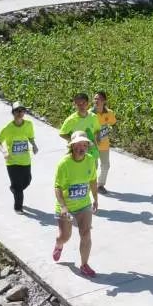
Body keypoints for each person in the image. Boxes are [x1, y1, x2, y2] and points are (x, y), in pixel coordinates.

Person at [52, 131, 99, 278]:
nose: (82, 148)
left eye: (84, 145)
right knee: (64, 236)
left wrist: (96, 198)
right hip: (66, 206)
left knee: (86, 233)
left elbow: (92, 180)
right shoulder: (64, 164)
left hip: (84, 204)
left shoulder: (90, 159)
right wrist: (64, 207)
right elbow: (57, 187)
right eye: (78, 145)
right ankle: (59, 245)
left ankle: (84, 265)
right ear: (72, 146)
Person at [0, 102, 38, 214]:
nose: (20, 113)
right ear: (13, 113)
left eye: (22, 110)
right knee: (19, 186)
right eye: (17, 111)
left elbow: (30, 137)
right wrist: (4, 152)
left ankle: (14, 189)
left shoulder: (29, 124)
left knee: (27, 181)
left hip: (25, 160)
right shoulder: (8, 128)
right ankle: (18, 207)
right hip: (12, 161)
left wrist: (34, 145)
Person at [59, 93, 100, 159]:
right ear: (75, 105)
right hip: (76, 151)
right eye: (78, 104)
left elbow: (97, 131)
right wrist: (75, 140)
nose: (81, 106)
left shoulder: (93, 117)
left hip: (91, 151)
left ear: (88, 103)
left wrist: (97, 145)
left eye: (83, 103)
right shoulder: (71, 120)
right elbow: (62, 133)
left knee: (92, 168)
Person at [92, 91, 117, 194]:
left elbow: (114, 124)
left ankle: (100, 185)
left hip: (105, 144)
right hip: (92, 145)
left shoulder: (109, 113)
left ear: (104, 101)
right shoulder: (90, 113)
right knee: (93, 166)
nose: (96, 101)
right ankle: (90, 184)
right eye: (95, 99)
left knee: (105, 166)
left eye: (98, 99)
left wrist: (113, 131)